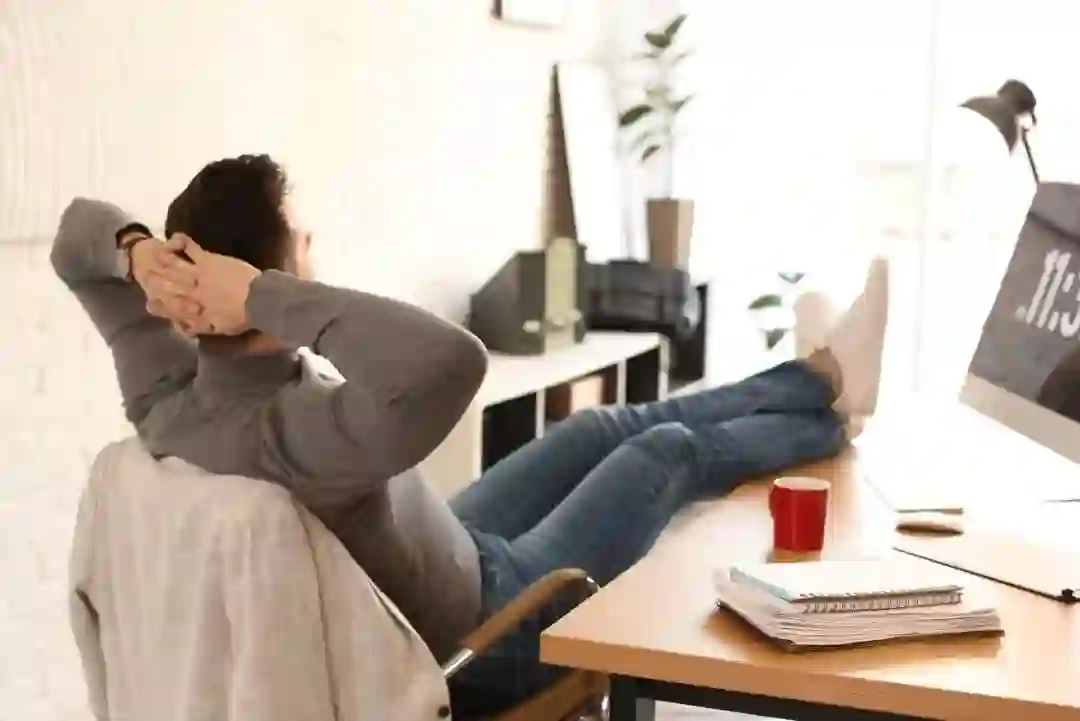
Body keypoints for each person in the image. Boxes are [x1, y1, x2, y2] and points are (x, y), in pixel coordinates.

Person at [52, 154, 889, 717]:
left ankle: (819, 375)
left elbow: (72, 239)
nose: (312, 247)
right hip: (491, 632)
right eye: (299, 243)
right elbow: (453, 359)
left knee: (595, 425)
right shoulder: (301, 434)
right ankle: (827, 400)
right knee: (662, 451)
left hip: (449, 549)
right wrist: (262, 296)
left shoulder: (167, 396)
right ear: (263, 276)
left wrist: (134, 252)